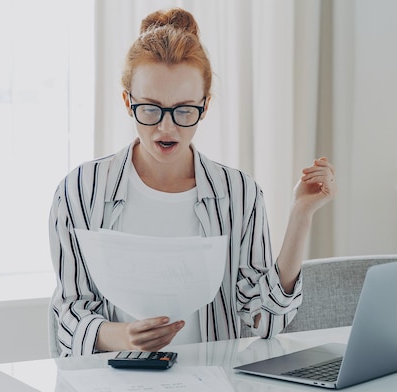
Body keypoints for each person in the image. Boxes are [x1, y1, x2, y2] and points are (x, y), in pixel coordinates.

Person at [48, 7, 337, 357]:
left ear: (206, 104)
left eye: (184, 110)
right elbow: (69, 315)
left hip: (214, 391)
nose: (166, 128)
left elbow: (265, 321)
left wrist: (300, 215)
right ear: (128, 101)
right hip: (117, 391)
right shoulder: (80, 191)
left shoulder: (239, 194)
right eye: (151, 109)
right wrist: (125, 337)